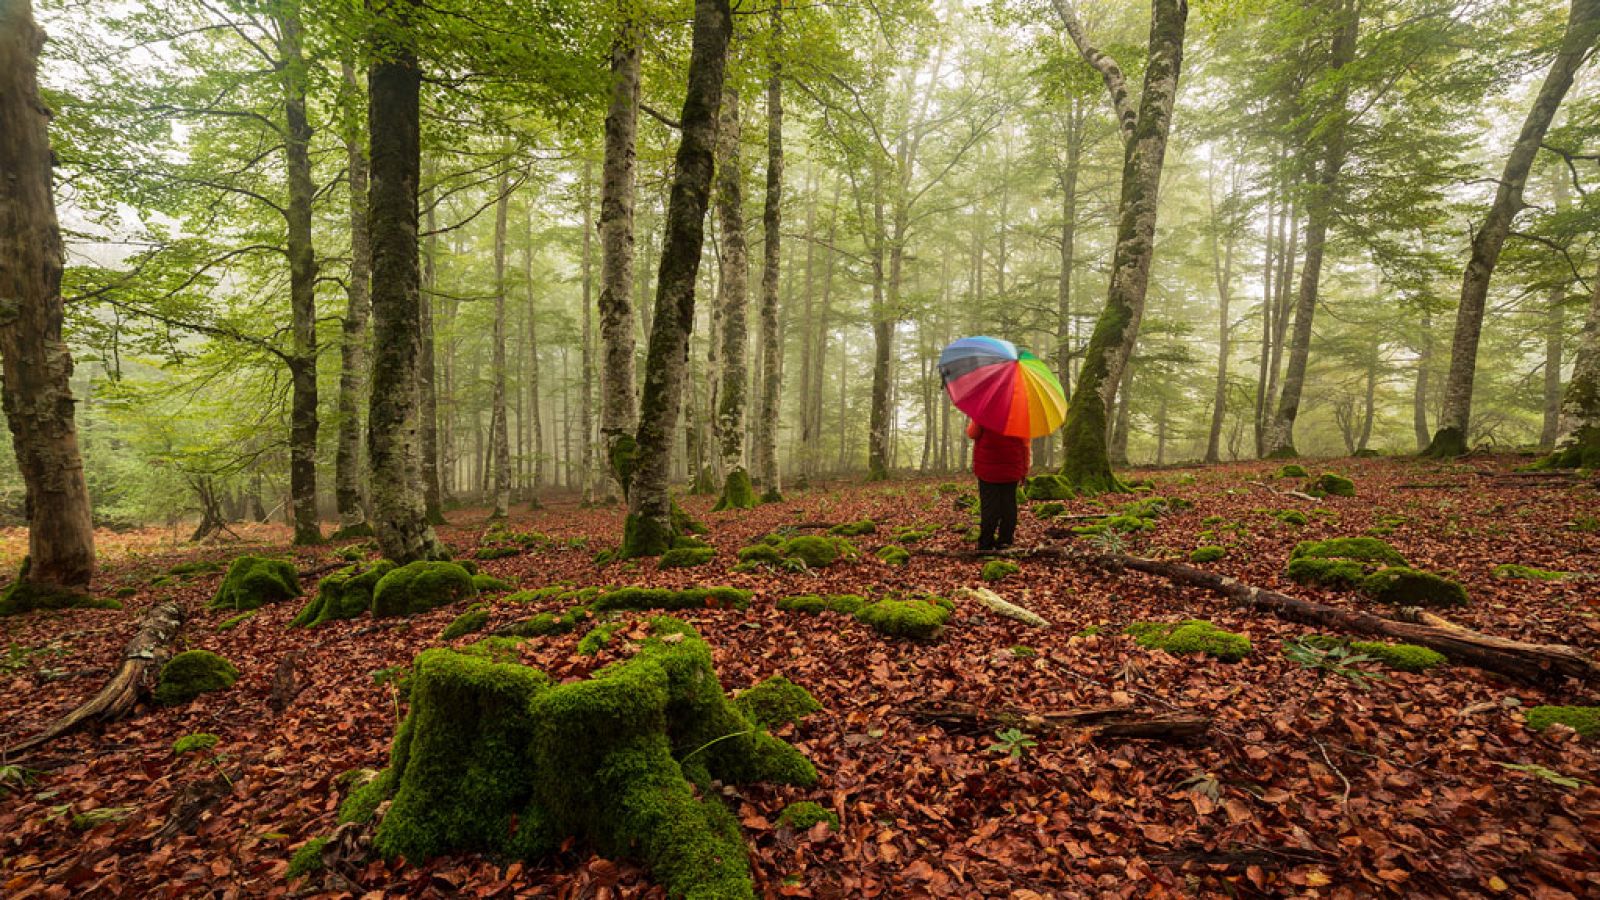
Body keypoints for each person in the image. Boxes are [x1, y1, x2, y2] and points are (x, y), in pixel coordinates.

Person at [966, 418, 1030, 553]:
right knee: (1009, 505)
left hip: (987, 469)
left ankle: (986, 543)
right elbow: (1025, 446)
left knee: (989, 506)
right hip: (1012, 468)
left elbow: (972, 433)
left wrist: (976, 419)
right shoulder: (1019, 417)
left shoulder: (984, 413)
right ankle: (1005, 541)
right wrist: (1024, 470)